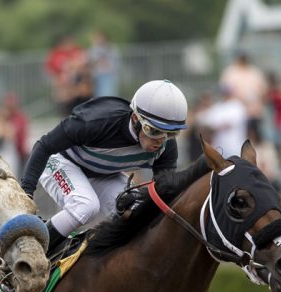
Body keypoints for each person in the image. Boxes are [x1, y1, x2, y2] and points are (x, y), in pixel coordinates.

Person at [20, 79, 188, 253]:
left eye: (170, 133)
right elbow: (43, 146)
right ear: (135, 119)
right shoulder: (97, 121)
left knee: (137, 212)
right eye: (153, 131)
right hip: (62, 161)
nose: (160, 140)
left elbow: (161, 194)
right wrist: (26, 193)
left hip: (105, 174)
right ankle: (29, 254)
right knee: (85, 206)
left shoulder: (167, 146)